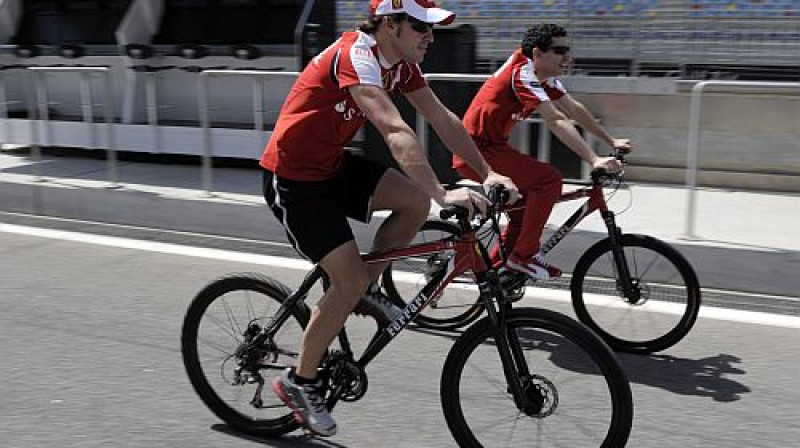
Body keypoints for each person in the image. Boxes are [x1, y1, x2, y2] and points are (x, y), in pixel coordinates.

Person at [260, 0, 519, 437]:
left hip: (332, 166)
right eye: (420, 27)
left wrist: (488, 172)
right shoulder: (356, 57)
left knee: (413, 204)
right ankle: (298, 382)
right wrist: (443, 192)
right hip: (294, 179)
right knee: (351, 277)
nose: (430, 37)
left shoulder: (399, 65)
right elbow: (396, 130)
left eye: (432, 29)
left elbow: (443, 119)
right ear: (388, 24)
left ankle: (361, 290)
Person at [453, 23, 631, 280]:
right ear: (537, 53)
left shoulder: (541, 75)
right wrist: (593, 159)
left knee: (522, 211)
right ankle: (524, 256)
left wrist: (611, 140)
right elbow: (555, 119)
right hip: (476, 150)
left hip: (493, 147)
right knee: (548, 180)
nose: (567, 57)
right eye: (560, 51)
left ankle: (493, 275)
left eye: (568, 50)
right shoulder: (523, 73)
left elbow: (573, 109)